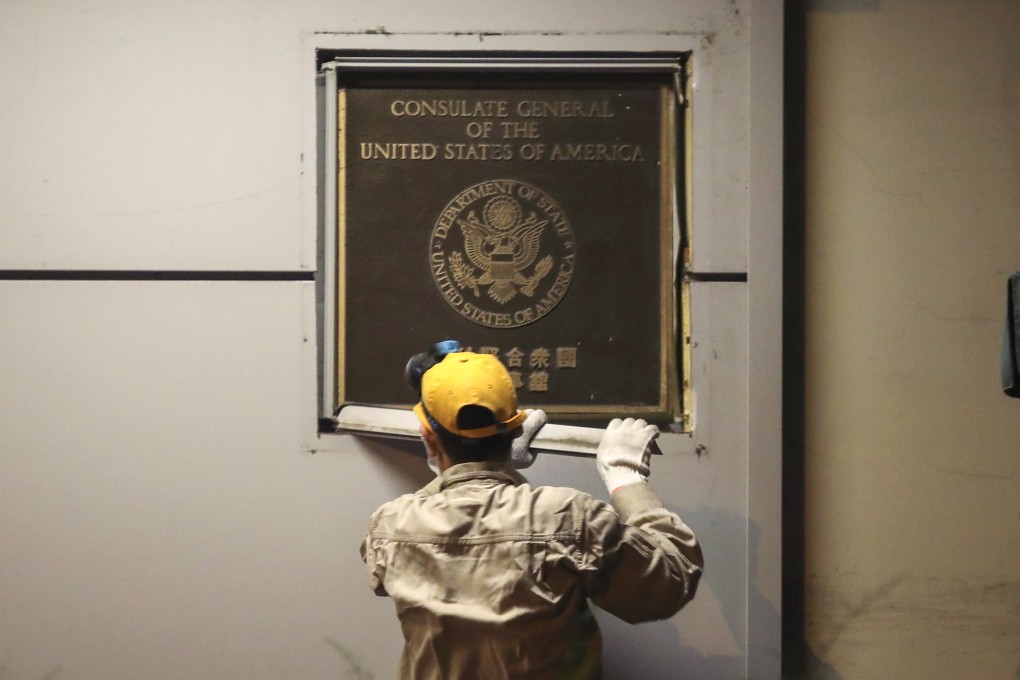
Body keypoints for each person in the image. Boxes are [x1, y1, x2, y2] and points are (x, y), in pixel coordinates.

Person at [360, 349, 703, 679]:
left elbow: (433, 539)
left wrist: (459, 473)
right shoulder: (569, 518)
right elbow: (671, 582)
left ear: (429, 438)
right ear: (514, 429)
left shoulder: (390, 527)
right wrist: (626, 479)